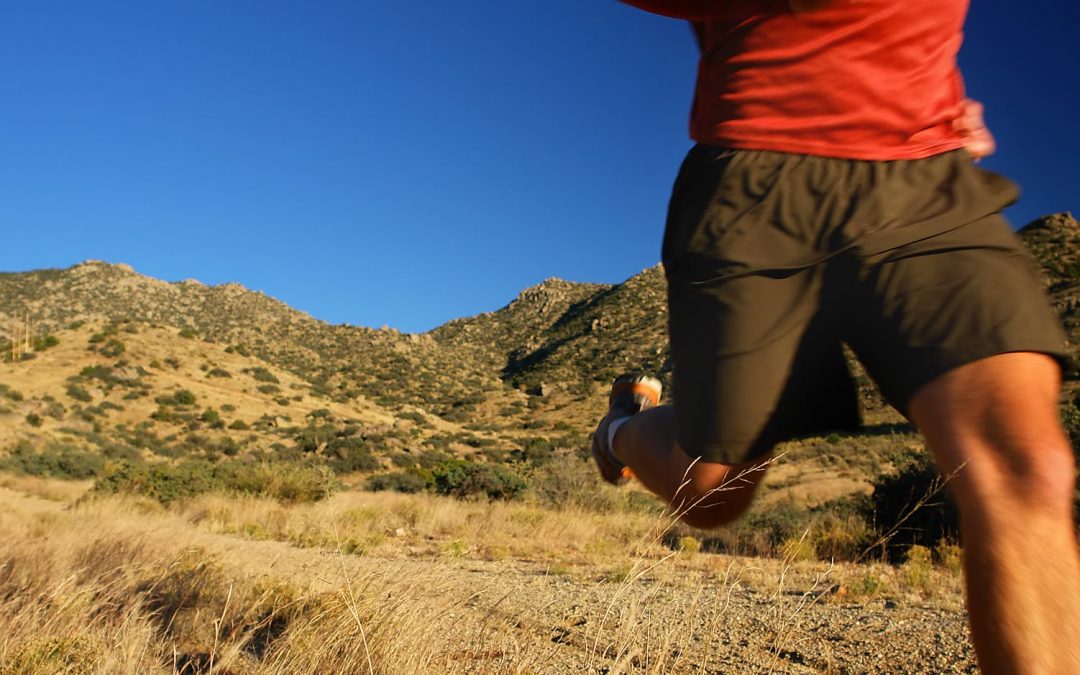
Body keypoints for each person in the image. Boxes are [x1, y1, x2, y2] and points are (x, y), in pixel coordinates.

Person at [591, 1, 1080, 672]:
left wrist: (943, 86)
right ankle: (621, 427)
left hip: (924, 177)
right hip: (757, 179)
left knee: (1027, 465)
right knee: (711, 489)